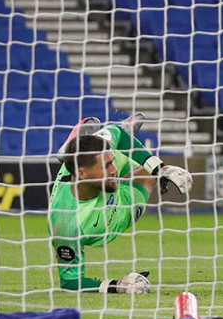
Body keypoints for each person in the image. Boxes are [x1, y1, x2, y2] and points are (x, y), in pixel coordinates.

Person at [48, 114, 192, 292]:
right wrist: (117, 286)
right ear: (82, 173)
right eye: (106, 166)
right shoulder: (65, 225)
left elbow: (115, 133)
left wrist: (160, 168)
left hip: (114, 192)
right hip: (107, 221)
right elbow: (70, 283)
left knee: (148, 173)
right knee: (143, 175)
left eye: (111, 163)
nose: (114, 170)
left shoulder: (103, 159)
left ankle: (119, 133)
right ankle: (75, 143)